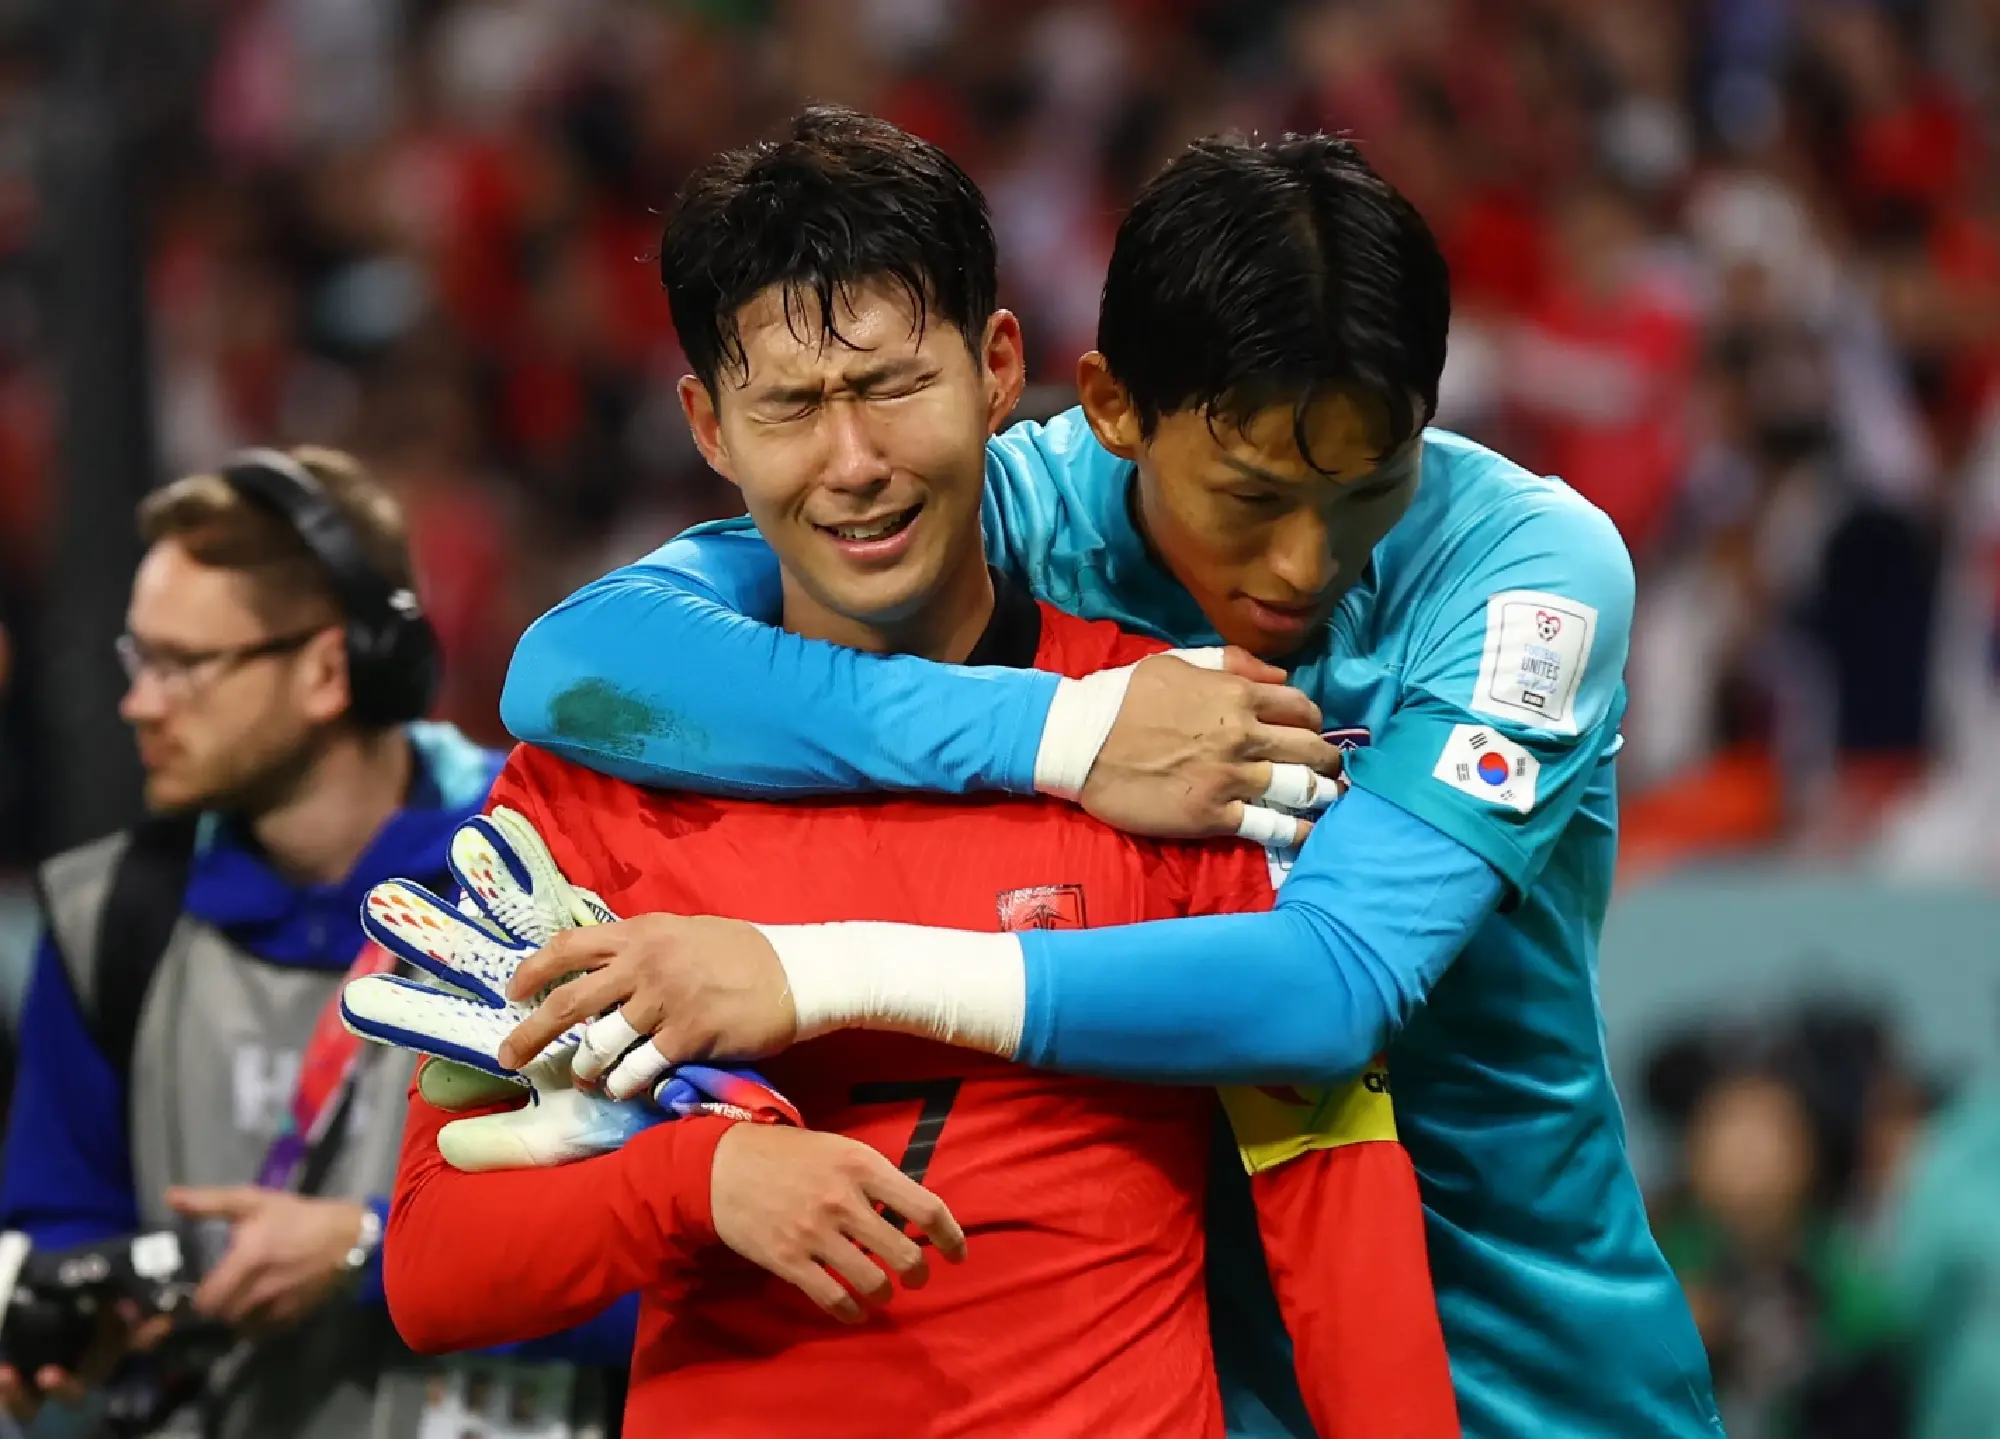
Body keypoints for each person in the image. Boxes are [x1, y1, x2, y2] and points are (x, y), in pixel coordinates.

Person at [496, 127, 1724, 1439]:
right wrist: (1063, 731)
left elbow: (1329, 985)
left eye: (1369, 485)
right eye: (1248, 497)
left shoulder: (1526, 576)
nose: (1308, 561)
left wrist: (812, 971)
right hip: (1191, 1378)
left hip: (1529, 1373)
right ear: (1113, 408)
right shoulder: (1013, 504)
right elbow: (573, 665)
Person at [0, 448, 628, 1437]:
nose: (140, 702)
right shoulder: (107, 912)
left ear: (331, 667)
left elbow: (663, 1268)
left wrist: (368, 1257)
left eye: (182, 665)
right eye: (138, 657)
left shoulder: (552, 879)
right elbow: (61, 1212)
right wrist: (65, 1311)